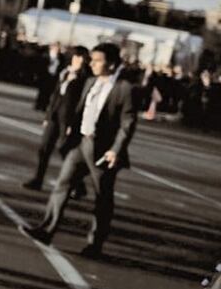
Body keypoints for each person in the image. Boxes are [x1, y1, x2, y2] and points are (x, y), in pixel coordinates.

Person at [20, 43, 137, 258]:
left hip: (103, 151)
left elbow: (127, 124)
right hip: (81, 144)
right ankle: (47, 229)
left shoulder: (124, 89)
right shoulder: (91, 82)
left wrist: (115, 150)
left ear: (111, 64)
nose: (92, 64)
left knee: (102, 198)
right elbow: (79, 108)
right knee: (62, 184)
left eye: (98, 60)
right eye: (92, 59)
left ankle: (95, 244)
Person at [23, 45, 90, 191]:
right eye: (77, 57)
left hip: (68, 119)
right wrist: (48, 115)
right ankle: (38, 179)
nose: (79, 60)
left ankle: (79, 185)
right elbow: (55, 95)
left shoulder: (84, 78)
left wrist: (73, 123)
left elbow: (81, 103)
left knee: (64, 150)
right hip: (55, 115)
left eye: (82, 58)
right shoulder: (65, 72)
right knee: (44, 148)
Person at [35, 42, 64, 111]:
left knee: (49, 92)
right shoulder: (46, 55)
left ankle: (44, 105)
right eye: (56, 47)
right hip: (45, 75)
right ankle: (39, 104)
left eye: (58, 48)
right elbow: (41, 65)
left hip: (53, 76)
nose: (57, 49)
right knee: (42, 91)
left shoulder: (61, 57)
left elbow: (61, 66)